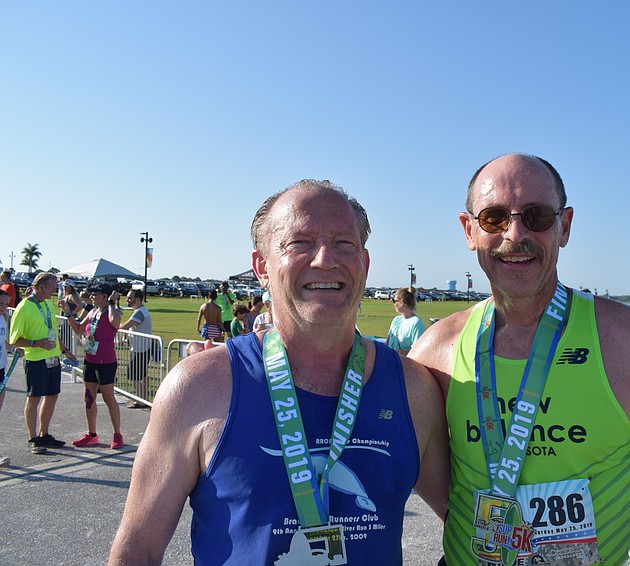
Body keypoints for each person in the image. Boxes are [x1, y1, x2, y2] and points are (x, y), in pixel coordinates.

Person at [110, 179, 449, 565]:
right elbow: (138, 549)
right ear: (262, 268)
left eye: (344, 243)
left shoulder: (413, 388)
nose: (325, 259)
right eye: (300, 242)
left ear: (365, 263)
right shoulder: (197, 387)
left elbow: (465, 525)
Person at [409, 154, 630, 565]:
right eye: (494, 218)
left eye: (536, 216)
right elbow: (431, 481)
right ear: (469, 230)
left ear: (564, 226)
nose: (515, 233)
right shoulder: (434, 352)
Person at [9, 272, 77, 454]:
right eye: (52, 287)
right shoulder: (24, 307)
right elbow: (14, 339)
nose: (54, 291)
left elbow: (52, 330)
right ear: (40, 287)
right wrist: (36, 343)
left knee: (52, 396)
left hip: (53, 359)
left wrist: (64, 350)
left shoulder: (47, 304)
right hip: (35, 360)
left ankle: (44, 434)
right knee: (34, 398)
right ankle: (33, 438)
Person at [66, 283, 125, 449]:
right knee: (88, 397)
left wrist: (112, 302)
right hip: (90, 360)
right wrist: (68, 313)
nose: (91, 297)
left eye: (95, 294)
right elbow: (78, 329)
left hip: (106, 362)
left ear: (105, 296)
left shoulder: (112, 311)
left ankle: (117, 434)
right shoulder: (92, 311)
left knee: (108, 397)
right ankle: (91, 434)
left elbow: (115, 322)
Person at [120, 288, 153, 409]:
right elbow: (131, 328)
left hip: (140, 349)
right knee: (142, 374)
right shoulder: (141, 311)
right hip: (143, 348)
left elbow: (125, 326)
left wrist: (115, 323)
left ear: (138, 300)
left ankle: (140, 400)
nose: (127, 300)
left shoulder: (140, 312)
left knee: (133, 375)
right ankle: (143, 399)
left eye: (130, 298)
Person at [386, 286, 426, 356]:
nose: (394, 304)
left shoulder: (416, 322)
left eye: (394, 301)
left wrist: (398, 353)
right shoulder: (396, 320)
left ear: (402, 303)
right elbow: (387, 343)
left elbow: (418, 351)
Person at [0, 289, 13, 466]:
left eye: (5, 303)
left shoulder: (3, 319)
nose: (3, 307)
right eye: (0, 304)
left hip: (1, 368)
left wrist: (12, 348)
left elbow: (3, 341)